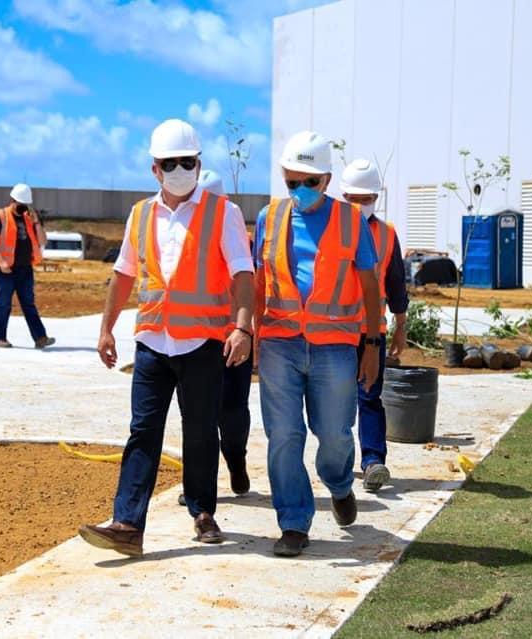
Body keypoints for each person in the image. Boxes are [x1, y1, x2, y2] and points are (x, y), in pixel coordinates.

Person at [79, 119, 255, 557]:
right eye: (170, 163)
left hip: (202, 343)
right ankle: (127, 524)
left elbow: (243, 274)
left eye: (188, 162)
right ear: (154, 169)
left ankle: (202, 511)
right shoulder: (140, 214)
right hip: (153, 342)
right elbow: (123, 274)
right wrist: (106, 327)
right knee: (143, 431)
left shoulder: (223, 213)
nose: (180, 170)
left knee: (199, 432)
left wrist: (243, 326)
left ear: (199, 164)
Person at [254, 131, 384, 557]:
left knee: (333, 434)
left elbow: (369, 285)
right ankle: (293, 522)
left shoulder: (350, 221)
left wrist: (372, 344)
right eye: (292, 182)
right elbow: (259, 281)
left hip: (334, 347)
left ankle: (339, 482)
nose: (300, 191)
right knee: (284, 436)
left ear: (326, 180)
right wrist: (254, 334)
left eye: (309, 182)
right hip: (280, 343)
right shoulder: (267, 219)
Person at [177, 169, 253, 507]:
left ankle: (236, 460)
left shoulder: (239, 238)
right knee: (197, 418)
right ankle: (195, 488)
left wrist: (250, 333)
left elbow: (254, 292)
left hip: (234, 340)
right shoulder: (184, 240)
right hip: (197, 341)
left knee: (233, 412)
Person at [341, 159, 409, 492]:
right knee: (336, 402)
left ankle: (372, 461)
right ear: (343, 195)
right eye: (354, 198)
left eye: (367, 198)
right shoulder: (329, 231)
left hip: (371, 333)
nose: (361, 205)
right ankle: (338, 461)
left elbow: (396, 282)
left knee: (369, 397)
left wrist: (400, 325)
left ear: (376, 198)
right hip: (334, 333)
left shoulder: (386, 234)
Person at [0, 183, 56, 349]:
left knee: (29, 303)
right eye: (20, 204)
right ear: (12, 200)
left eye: (25, 205)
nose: (22, 208)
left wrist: (37, 222)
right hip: (5, 269)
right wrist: (1, 261)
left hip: (25, 268)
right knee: (4, 303)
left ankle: (40, 338)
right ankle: (0, 338)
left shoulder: (29, 219)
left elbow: (43, 241)